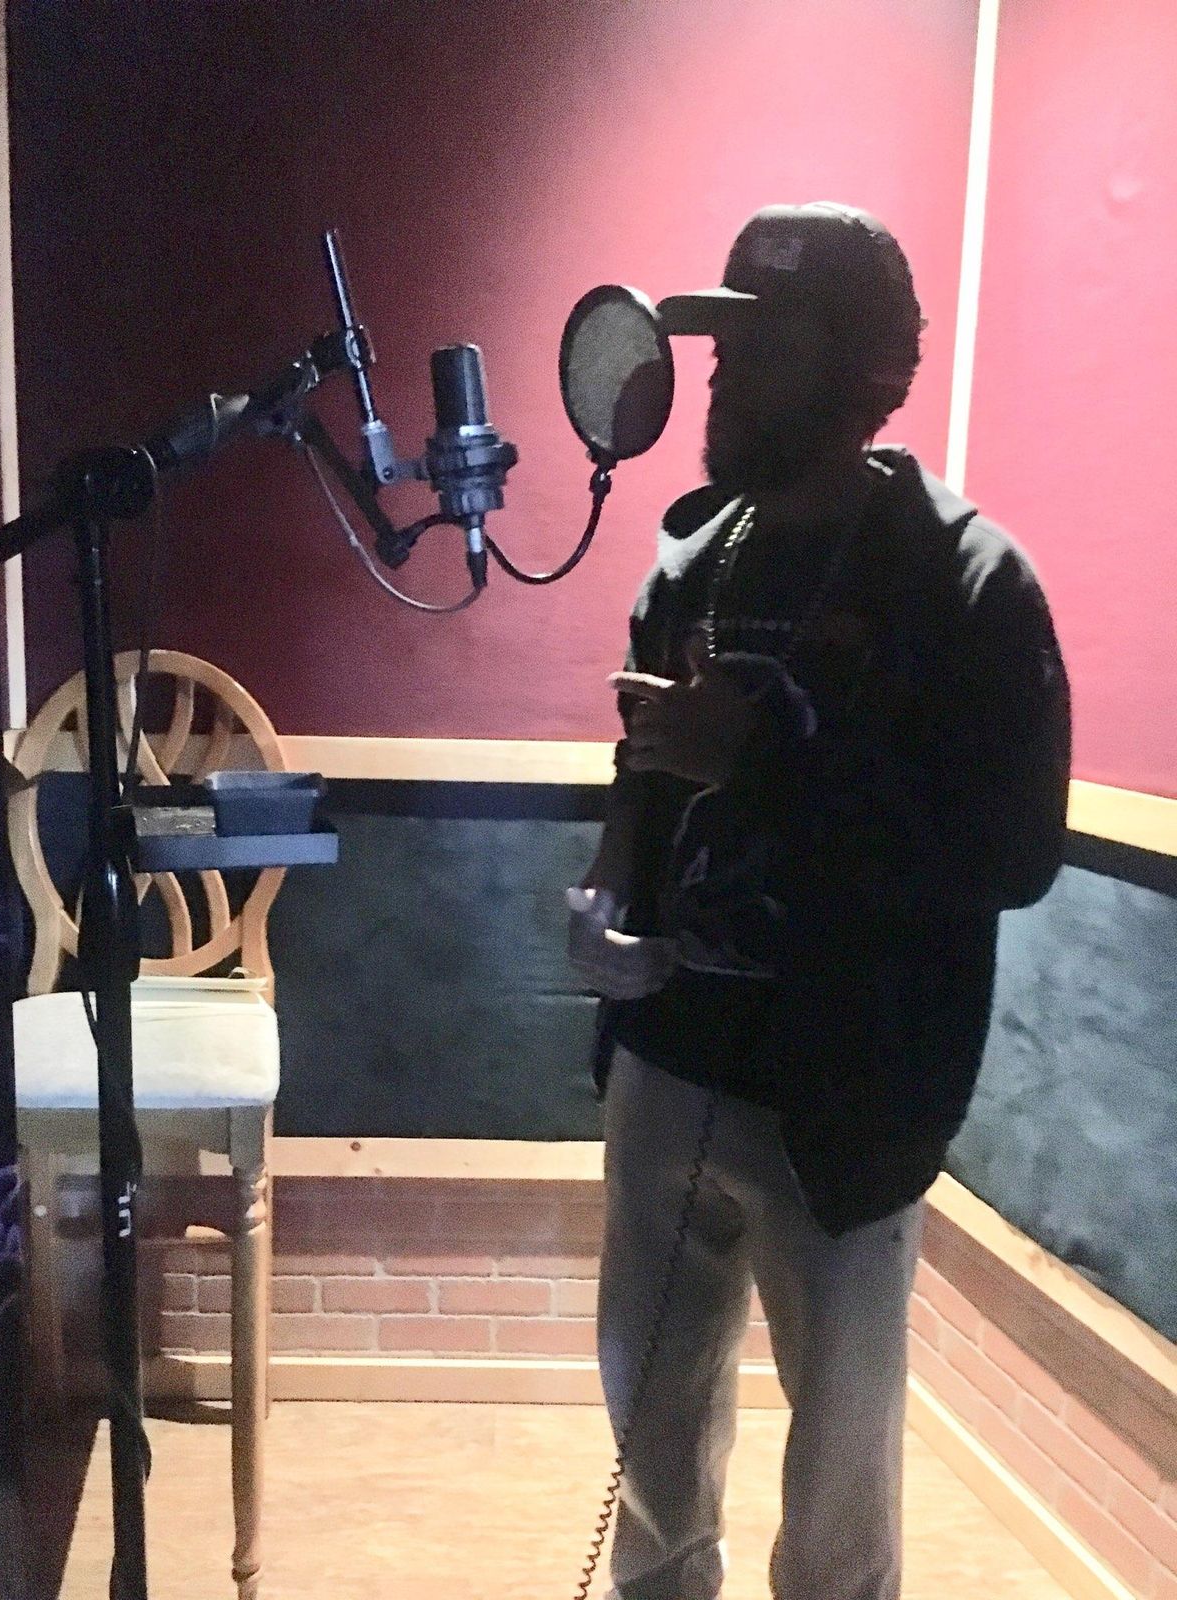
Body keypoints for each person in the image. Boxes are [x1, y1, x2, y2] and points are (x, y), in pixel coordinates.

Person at [567, 202, 1071, 1600]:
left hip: (849, 1098)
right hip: (671, 1058)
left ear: (860, 374)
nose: (722, 374)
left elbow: (1013, 853)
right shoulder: (692, 556)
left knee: (839, 1492)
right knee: (652, 1442)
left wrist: (769, 759)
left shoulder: (966, 583)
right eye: (720, 345)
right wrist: (609, 877)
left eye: (764, 346)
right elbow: (650, 767)